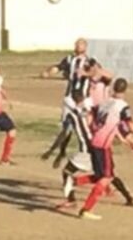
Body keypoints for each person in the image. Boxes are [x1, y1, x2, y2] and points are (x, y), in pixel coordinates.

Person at [76, 78, 133, 220]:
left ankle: (74, 182)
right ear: (125, 90)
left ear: (114, 88)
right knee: (106, 177)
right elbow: (131, 126)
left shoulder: (105, 102)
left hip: (95, 142)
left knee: (105, 174)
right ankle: (86, 209)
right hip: (103, 145)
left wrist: (116, 135)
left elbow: (92, 117)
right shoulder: (122, 106)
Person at [55, 90, 133, 209]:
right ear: (83, 98)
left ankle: (71, 199)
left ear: (72, 100)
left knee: (67, 172)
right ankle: (129, 197)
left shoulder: (71, 115)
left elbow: (66, 134)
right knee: (109, 174)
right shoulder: (92, 111)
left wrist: (61, 151)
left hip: (86, 150)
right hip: (100, 146)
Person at [40, 38, 98, 168]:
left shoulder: (89, 61)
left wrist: (85, 73)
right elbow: (58, 67)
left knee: (85, 126)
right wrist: (48, 72)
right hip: (70, 98)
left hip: (84, 99)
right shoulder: (69, 59)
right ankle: (62, 152)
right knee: (67, 127)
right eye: (76, 44)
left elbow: (95, 72)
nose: (77, 46)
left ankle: (88, 150)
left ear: (85, 47)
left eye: (80, 44)